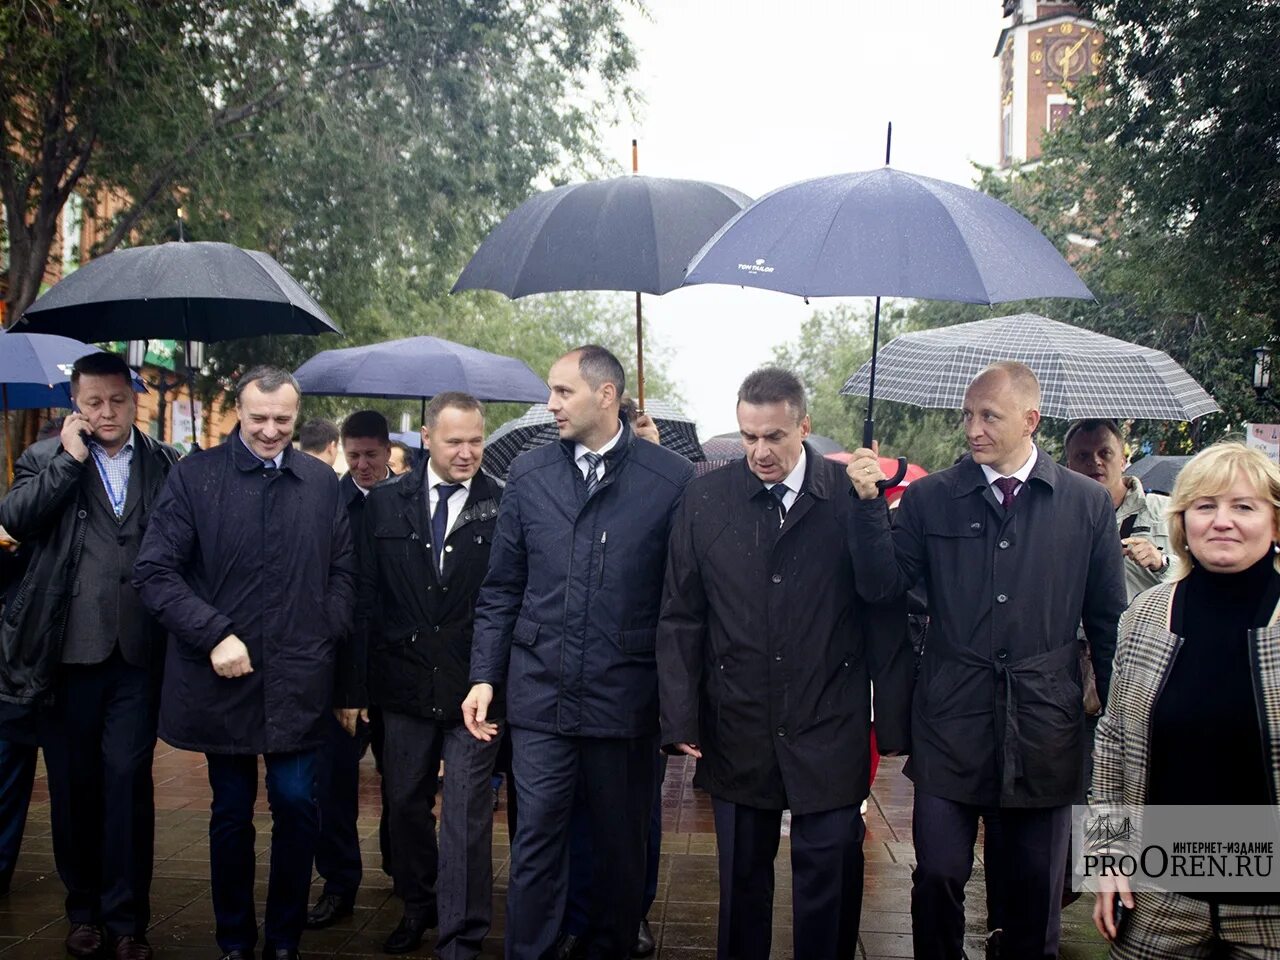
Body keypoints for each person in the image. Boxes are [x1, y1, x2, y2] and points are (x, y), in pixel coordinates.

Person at [845, 361, 1127, 960]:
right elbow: (881, 588)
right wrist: (869, 505)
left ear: (1031, 420)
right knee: (940, 872)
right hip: (952, 717)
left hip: (1046, 725)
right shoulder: (930, 499)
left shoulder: (1085, 505)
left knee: (1035, 891)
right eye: (967, 415)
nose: (972, 429)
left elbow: (1107, 621)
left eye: (988, 416)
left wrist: (1117, 719)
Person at [657, 367, 912, 960]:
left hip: (829, 723)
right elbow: (680, 614)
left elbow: (884, 600)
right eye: (748, 436)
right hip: (737, 722)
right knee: (741, 883)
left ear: (804, 426)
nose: (760, 452)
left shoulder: (851, 496)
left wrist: (873, 510)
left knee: (830, 879)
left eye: (773, 436)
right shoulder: (704, 498)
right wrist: (679, 715)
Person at [463, 345, 694, 960]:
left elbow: (682, 603)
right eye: (551, 390)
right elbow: (502, 587)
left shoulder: (669, 480)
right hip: (540, 697)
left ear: (606, 395)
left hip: (625, 700)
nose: (551, 403)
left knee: (621, 850)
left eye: (563, 392)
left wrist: (680, 707)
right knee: (536, 842)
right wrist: (485, 676)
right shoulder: (530, 476)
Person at [133, 366, 356, 960]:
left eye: (283, 420)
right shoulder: (195, 477)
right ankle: (234, 939)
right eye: (258, 418)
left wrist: (323, 627)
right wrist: (213, 635)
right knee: (230, 811)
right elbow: (154, 573)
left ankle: (283, 941)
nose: (270, 431)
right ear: (238, 409)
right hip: (222, 679)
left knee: (294, 805)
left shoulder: (320, 482)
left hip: (299, 677)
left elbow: (344, 574)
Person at [0, 352, 178, 960]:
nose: (107, 412)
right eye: (94, 402)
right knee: (74, 788)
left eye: (117, 400)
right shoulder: (45, 458)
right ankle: (84, 911)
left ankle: (128, 921)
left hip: (137, 653)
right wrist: (69, 464)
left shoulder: (164, 463)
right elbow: (16, 519)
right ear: (77, 404)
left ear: (136, 399)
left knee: (128, 781)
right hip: (65, 654)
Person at [1092, 441, 1280, 955]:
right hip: (1158, 890)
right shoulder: (1146, 615)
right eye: (1205, 506)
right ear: (1183, 521)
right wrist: (1106, 861)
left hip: (1271, 904)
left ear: (1275, 522)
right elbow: (1111, 743)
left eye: (1243, 506)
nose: (1222, 521)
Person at [353, 392, 503, 957]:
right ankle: (416, 905)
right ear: (425, 438)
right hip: (402, 683)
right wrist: (359, 688)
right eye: (454, 441)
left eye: (476, 441)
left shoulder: (502, 504)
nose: (467, 453)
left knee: (466, 812)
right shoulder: (384, 504)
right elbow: (365, 597)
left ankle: (462, 933)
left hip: (474, 687)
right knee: (406, 802)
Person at [303, 411, 395, 932]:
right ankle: (339, 882)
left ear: (387, 451)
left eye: (371, 455)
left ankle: (405, 869)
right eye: (353, 455)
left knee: (405, 784)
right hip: (339, 670)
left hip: (398, 669)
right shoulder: (326, 501)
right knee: (332, 786)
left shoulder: (407, 501)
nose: (361, 464)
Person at [1064, 419, 1172, 601]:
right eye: (1083, 456)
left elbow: (1201, 576)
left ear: (1122, 461)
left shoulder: (1165, 510)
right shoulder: (1058, 517)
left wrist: (1161, 562)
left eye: (1105, 453)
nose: (1095, 461)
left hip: (1142, 626)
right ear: (1068, 467)